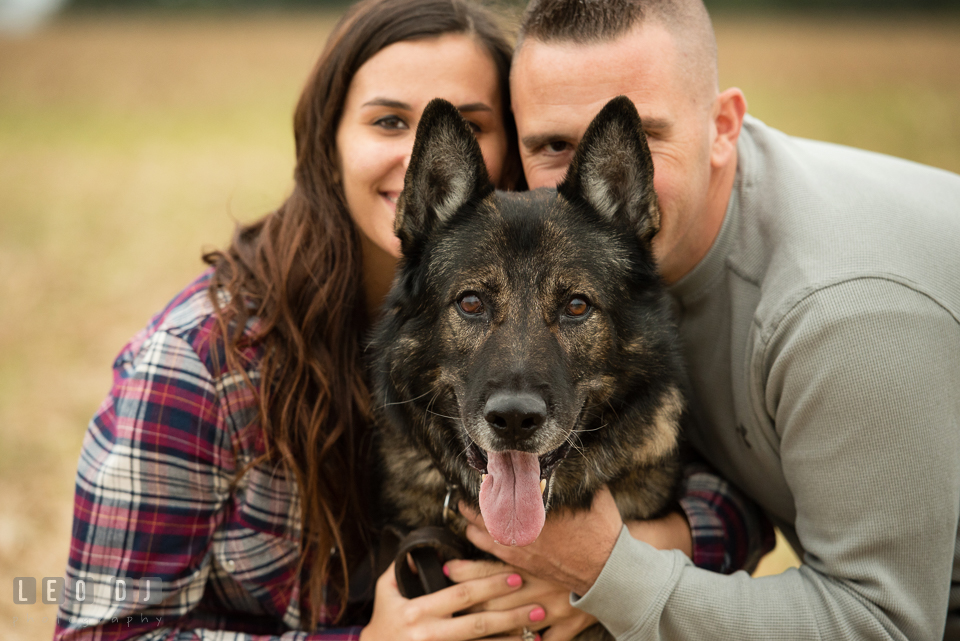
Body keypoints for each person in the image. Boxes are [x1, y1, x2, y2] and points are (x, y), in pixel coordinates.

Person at [53, 0, 772, 639]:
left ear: (510, 147)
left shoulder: (599, 277)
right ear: (326, 138)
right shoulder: (197, 365)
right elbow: (100, 629)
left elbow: (736, 494)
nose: (415, 153)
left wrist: (625, 564)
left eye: (467, 124)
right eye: (389, 119)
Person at [459, 0, 960, 638]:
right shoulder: (573, 265)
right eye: (555, 145)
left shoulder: (840, 311)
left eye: (639, 142)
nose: (599, 182)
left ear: (723, 126)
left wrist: (608, 574)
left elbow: (883, 625)